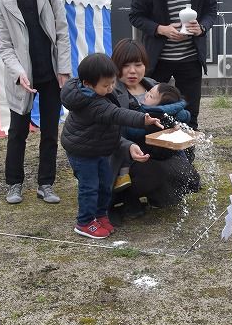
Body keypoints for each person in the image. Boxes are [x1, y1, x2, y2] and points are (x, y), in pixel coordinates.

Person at [0, 0, 70, 204]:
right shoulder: (0, 3)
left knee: (50, 131)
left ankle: (46, 183)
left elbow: (62, 33)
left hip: (50, 75)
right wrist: (18, 72)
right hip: (21, 79)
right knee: (18, 132)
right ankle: (14, 183)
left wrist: (64, 70)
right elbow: (4, 47)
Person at [60, 53, 162, 239]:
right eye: (106, 86)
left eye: (112, 83)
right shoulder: (91, 103)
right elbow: (117, 114)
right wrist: (143, 119)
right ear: (88, 84)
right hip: (82, 151)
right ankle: (84, 222)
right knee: (89, 187)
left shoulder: (94, 90)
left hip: (98, 148)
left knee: (105, 183)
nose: (111, 88)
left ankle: (100, 215)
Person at [129, 0, 217, 130]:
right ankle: (156, 157)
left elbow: (211, 12)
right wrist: (161, 29)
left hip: (191, 58)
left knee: (190, 112)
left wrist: (202, 27)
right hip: (157, 60)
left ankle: (187, 159)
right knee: (151, 111)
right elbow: (135, 15)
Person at [110, 39, 200, 219]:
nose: (133, 71)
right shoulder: (110, 90)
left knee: (188, 176)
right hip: (126, 153)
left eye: (138, 64)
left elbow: (179, 110)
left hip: (157, 149)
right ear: (115, 66)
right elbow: (112, 131)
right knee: (154, 173)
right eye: (126, 65)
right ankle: (126, 198)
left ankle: (157, 195)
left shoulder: (153, 84)